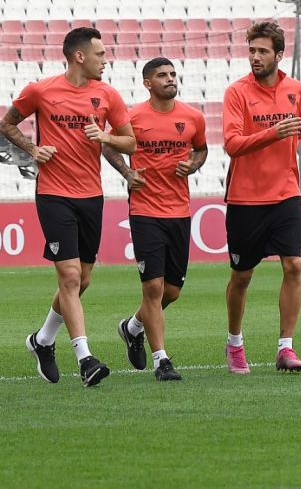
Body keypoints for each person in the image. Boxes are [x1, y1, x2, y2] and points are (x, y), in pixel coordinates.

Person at [0, 27, 134, 387]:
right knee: (70, 277)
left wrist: (106, 137)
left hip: (91, 196)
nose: (105, 60)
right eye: (100, 54)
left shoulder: (107, 95)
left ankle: (42, 341)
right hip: (54, 195)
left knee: (82, 279)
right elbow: (6, 123)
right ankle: (85, 359)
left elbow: (131, 143)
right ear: (79, 56)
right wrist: (32, 150)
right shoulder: (41, 90)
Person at [222, 21, 301, 374]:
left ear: (279, 55)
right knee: (242, 276)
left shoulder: (295, 89)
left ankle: (286, 348)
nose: (255, 56)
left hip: (285, 193)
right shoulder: (236, 92)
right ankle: (234, 344)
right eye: (251, 50)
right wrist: (272, 133)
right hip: (245, 199)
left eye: (262, 51)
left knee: (294, 265)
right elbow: (232, 145)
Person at [100, 58, 207, 381]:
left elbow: (201, 150)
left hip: (180, 212)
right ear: (148, 83)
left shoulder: (193, 116)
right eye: (162, 75)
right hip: (146, 212)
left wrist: (194, 164)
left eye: (173, 74)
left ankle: (132, 328)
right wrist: (126, 171)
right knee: (153, 287)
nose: (170, 79)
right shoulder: (133, 116)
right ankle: (162, 361)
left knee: (171, 292)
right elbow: (108, 145)